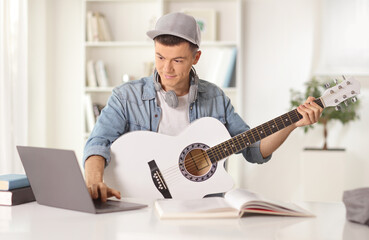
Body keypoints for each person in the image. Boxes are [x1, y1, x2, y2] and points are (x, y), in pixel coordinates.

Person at [83, 12, 323, 202]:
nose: (166, 69)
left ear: (196, 57)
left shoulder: (216, 98)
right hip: (140, 204)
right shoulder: (126, 96)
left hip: (200, 208)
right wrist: (94, 181)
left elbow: (254, 150)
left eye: (177, 60)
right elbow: (97, 142)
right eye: (160, 57)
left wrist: (292, 122)